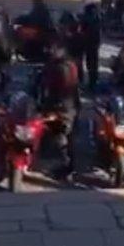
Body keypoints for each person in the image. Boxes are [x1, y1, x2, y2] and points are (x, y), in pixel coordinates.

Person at [39, 39, 80, 177]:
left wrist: (51, 107)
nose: (51, 51)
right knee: (68, 135)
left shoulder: (59, 68)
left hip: (62, 106)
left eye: (54, 48)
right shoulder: (71, 65)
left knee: (61, 135)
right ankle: (68, 166)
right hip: (70, 105)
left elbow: (54, 88)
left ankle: (65, 166)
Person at [78, 0, 102, 89]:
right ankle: (93, 82)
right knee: (94, 64)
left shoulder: (86, 16)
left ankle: (84, 82)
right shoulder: (97, 16)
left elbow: (81, 28)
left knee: (88, 63)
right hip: (95, 43)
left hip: (87, 42)